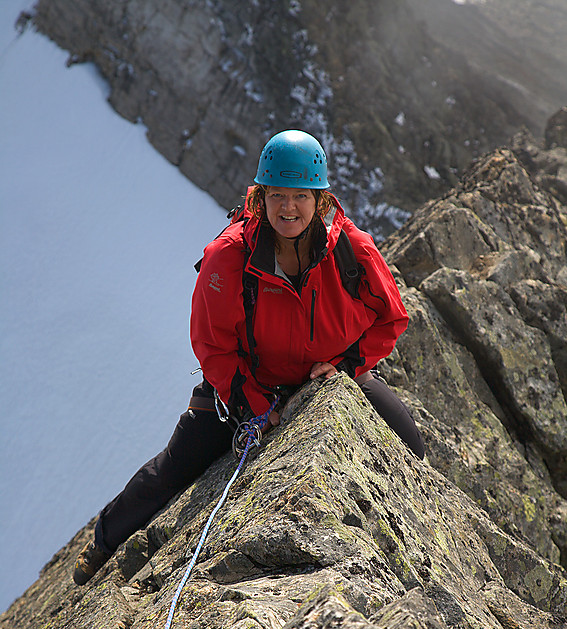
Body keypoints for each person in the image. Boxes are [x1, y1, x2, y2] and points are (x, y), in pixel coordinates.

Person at [73, 129, 424, 585]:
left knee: (410, 448)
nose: (289, 208)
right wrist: (255, 405)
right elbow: (212, 343)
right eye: (278, 194)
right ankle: (102, 542)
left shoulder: (351, 250)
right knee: (173, 470)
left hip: (326, 379)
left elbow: (390, 318)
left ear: (321, 200)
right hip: (243, 385)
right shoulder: (229, 256)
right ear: (261, 197)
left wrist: (345, 367)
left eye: (300, 195)